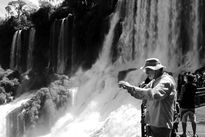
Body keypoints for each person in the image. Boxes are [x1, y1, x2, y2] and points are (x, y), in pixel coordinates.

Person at [119, 58, 177, 137]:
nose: (146, 72)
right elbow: (142, 94)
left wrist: (131, 87)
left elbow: (153, 94)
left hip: (161, 124)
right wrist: (129, 88)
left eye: (149, 70)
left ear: (158, 69)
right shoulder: (154, 81)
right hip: (155, 123)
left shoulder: (166, 81)